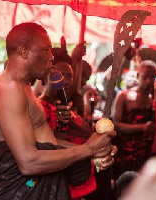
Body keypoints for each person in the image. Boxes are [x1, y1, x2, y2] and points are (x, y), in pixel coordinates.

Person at [0, 22, 116, 199]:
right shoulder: (9, 89)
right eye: (46, 50)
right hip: (19, 189)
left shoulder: (23, 87)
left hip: (31, 185)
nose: (51, 57)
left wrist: (93, 150)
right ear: (24, 51)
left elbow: (47, 141)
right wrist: (87, 151)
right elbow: (28, 163)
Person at [111, 60, 156, 181]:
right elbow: (115, 125)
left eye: (152, 77)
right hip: (128, 158)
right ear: (138, 76)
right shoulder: (124, 96)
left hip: (153, 159)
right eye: (145, 76)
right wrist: (142, 127)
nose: (149, 80)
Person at [38, 61, 97, 199]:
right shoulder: (40, 108)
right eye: (60, 75)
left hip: (80, 184)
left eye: (70, 76)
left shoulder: (69, 107)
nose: (66, 80)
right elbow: (50, 146)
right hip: (60, 186)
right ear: (46, 78)